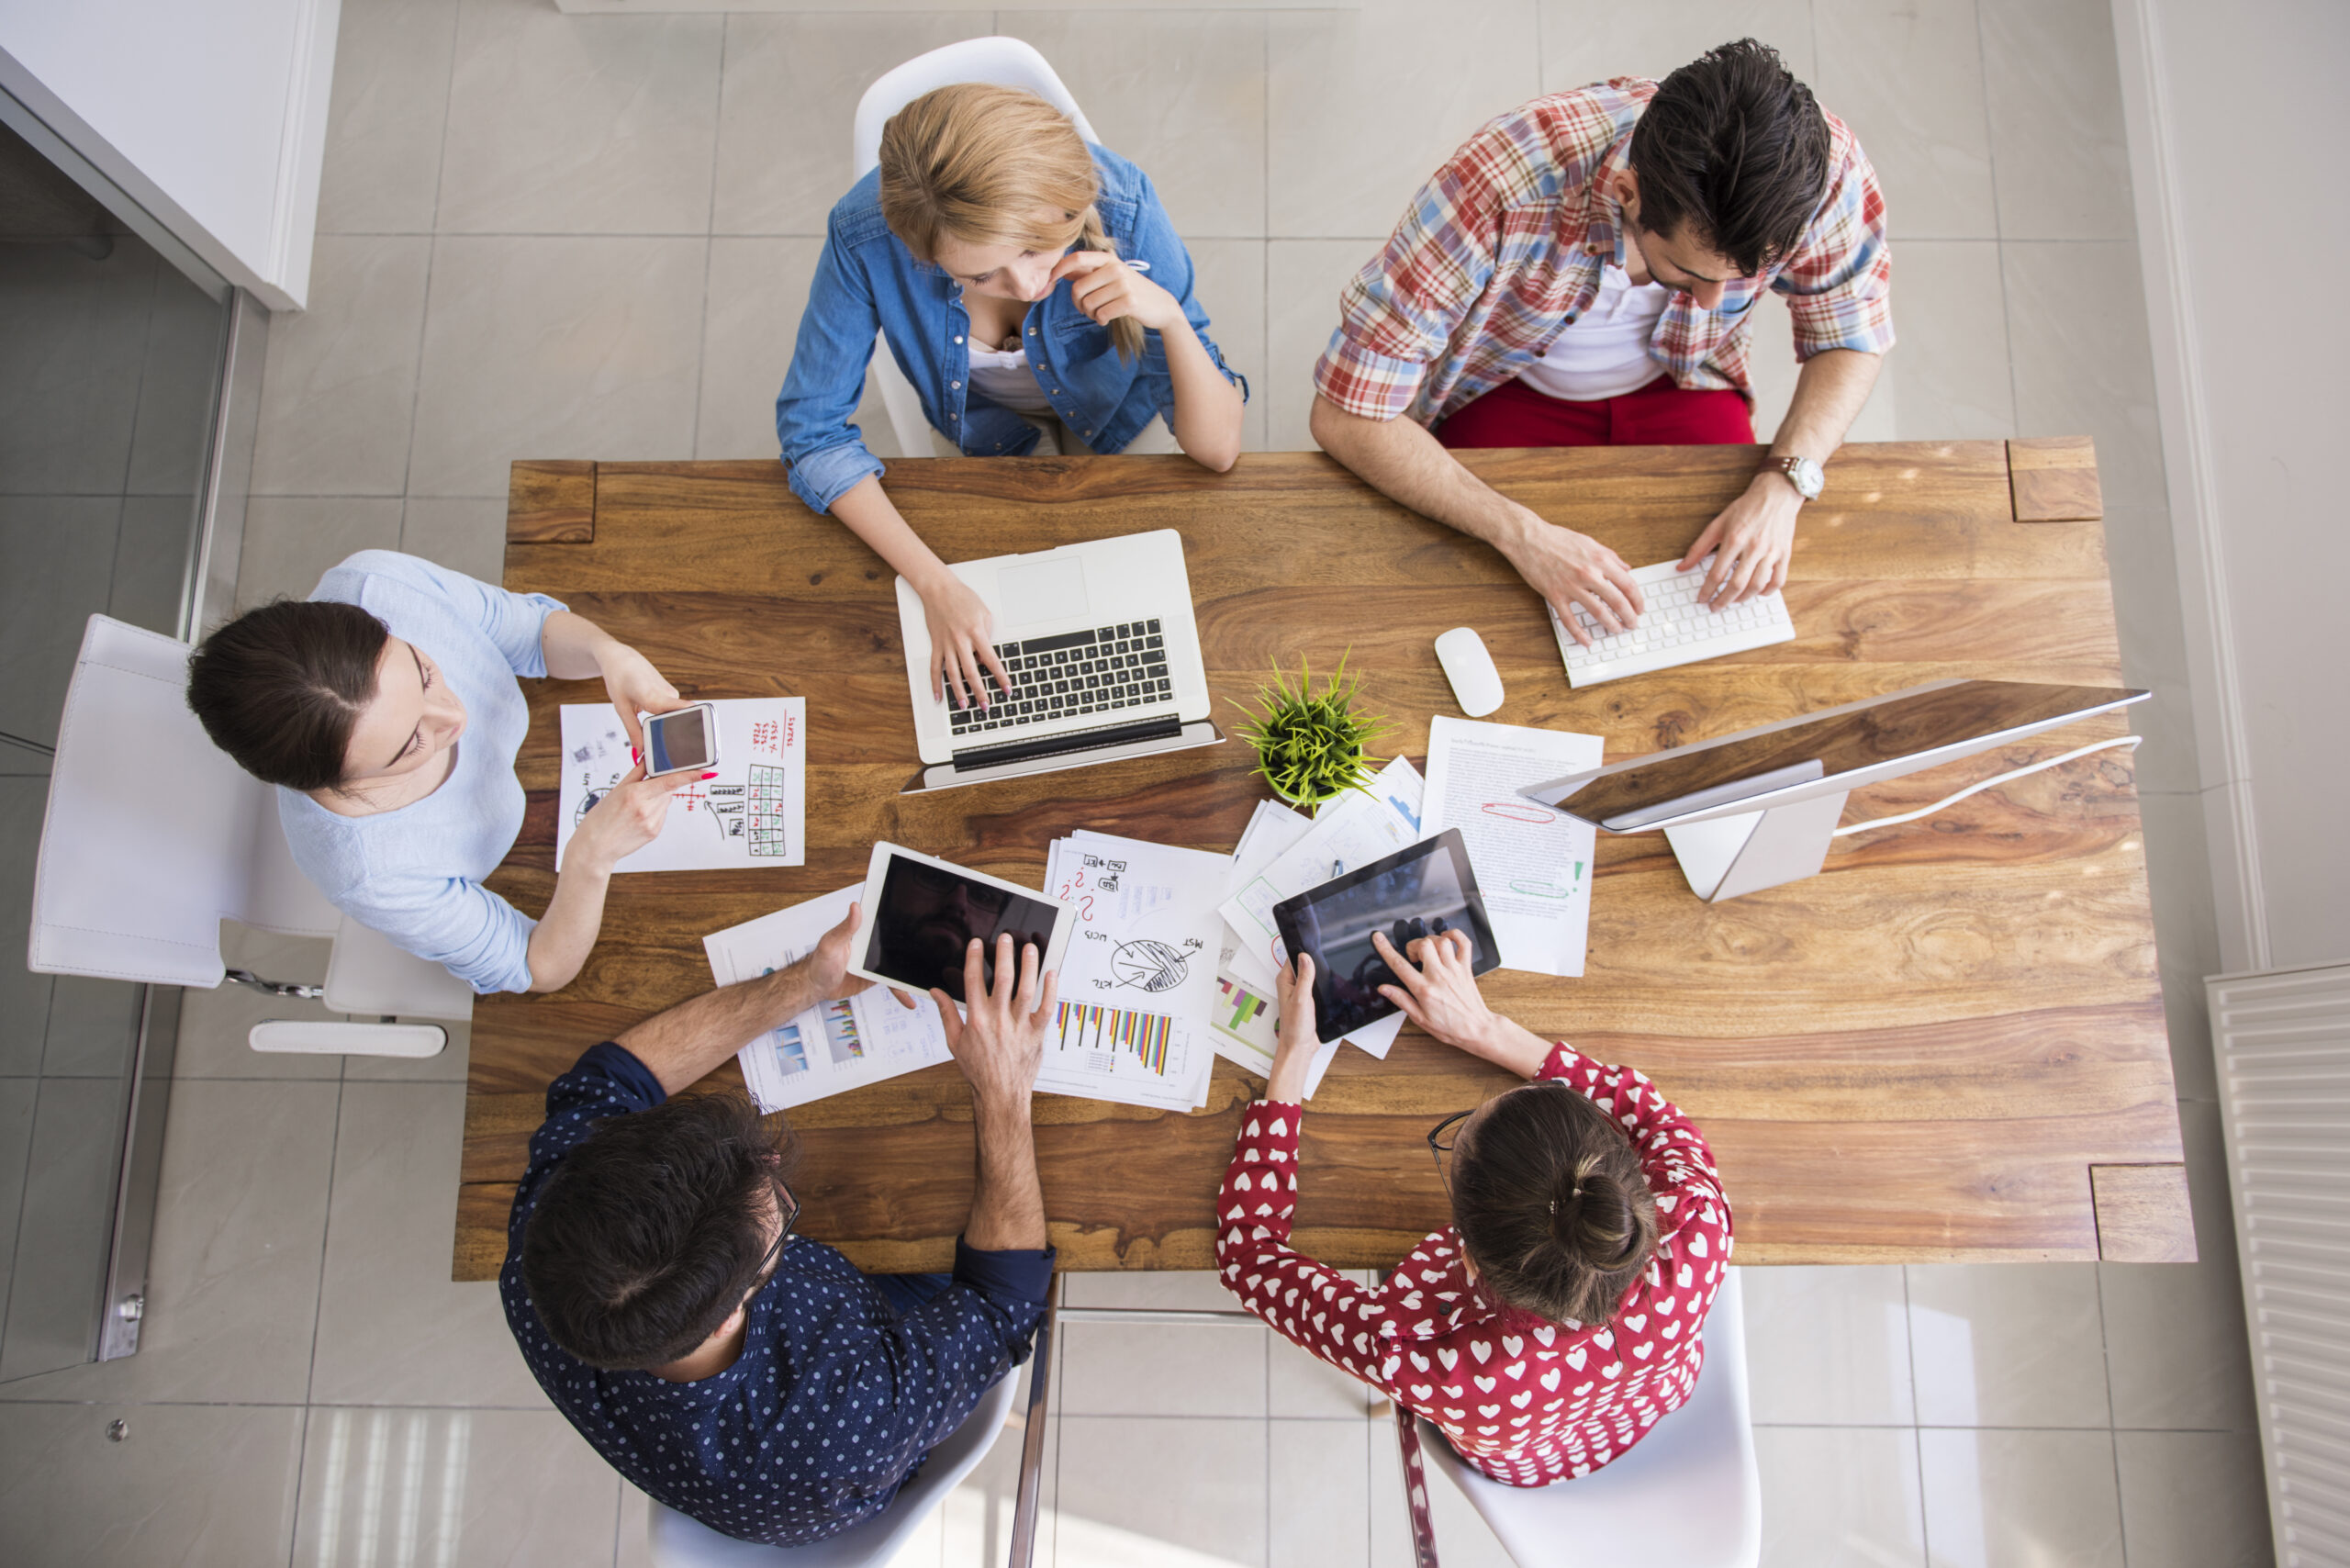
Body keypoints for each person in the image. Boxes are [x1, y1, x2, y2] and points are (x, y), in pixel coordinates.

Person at [503, 906, 1058, 1546]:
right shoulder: (849, 1417)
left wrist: (803, 984)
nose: (772, 1164)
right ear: (731, 1313)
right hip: (861, 1395)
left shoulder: (549, 1243)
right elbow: (1005, 1306)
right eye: (780, 1217)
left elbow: (606, 1082)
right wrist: (1004, 1087)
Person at [1308, 39, 1893, 639]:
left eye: (1748, 280)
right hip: (1507, 389)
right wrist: (1522, 534)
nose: (1720, 301)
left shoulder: (1820, 171)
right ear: (1628, 196)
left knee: (1735, 625)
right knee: (1474, 610)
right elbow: (1345, 415)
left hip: (1686, 383)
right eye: (1690, 273)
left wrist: (1785, 483)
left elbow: (1851, 333)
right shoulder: (1498, 184)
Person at [776, 82, 1248, 711]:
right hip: (982, 430)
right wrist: (933, 584)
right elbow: (813, 433)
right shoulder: (864, 236)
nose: (1026, 284)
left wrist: (1171, 320)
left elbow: (1217, 450)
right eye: (979, 275)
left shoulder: (1124, 199)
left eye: (1034, 248)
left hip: (1120, 412)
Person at [1214, 929, 1731, 1488]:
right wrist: (1487, 1031)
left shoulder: (1425, 1357)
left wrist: (1292, 1057)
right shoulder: (1699, 1220)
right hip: (1643, 1406)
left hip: (1524, 1463)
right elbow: (1657, 1119)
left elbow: (1248, 1257)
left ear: (1468, 1258)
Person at [185, 550, 696, 994]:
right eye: (412, 743)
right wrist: (590, 857)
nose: (456, 718)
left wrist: (609, 654)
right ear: (341, 783)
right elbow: (537, 966)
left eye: (425, 675)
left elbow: (529, 629)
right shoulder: (371, 872)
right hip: (530, 864)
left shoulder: (381, 583)